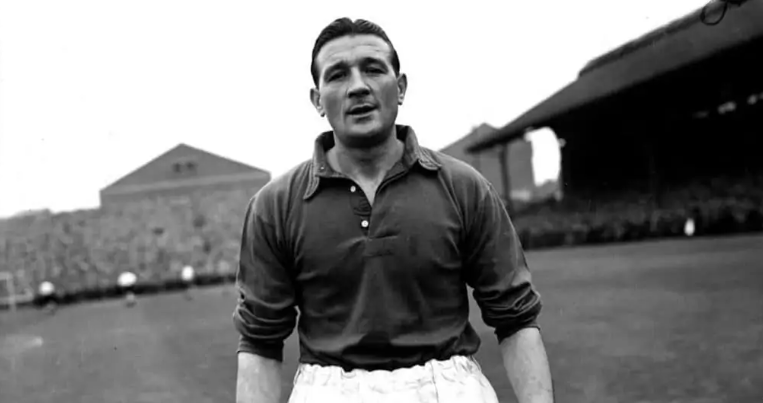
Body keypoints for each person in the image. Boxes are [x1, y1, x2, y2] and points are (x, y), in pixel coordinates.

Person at [233, 17, 554, 403]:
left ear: (400, 87)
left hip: (449, 390)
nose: (358, 86)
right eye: (338, 75)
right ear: (317, 100)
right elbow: (260, 342)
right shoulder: (274, 206)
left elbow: (516, 319)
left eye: (373, 69)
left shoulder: (464, 187)